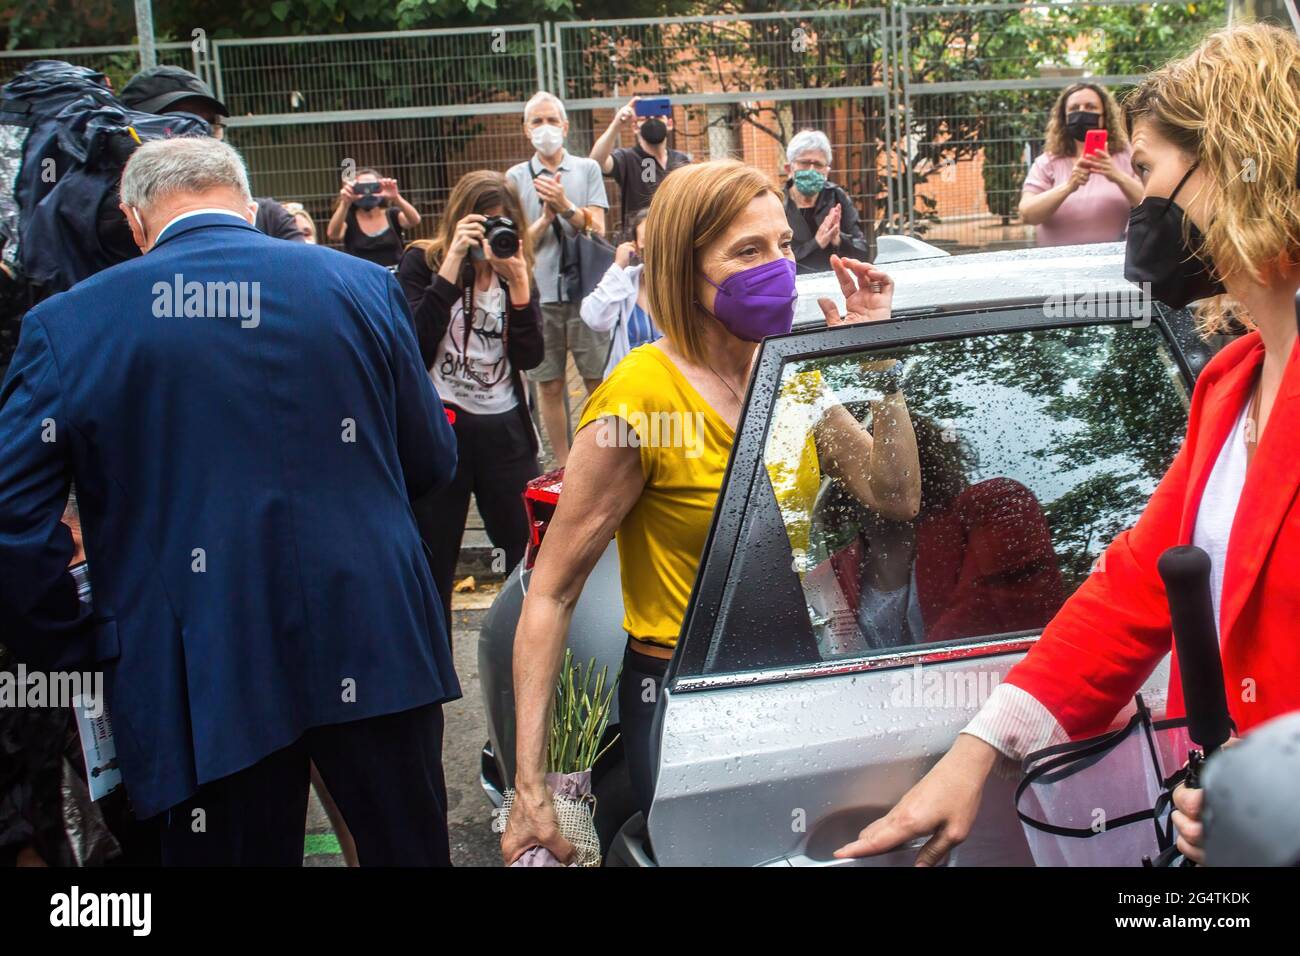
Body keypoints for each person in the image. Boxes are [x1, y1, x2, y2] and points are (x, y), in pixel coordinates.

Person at [836, 23, 1300, 868]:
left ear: (1239, 166)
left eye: (1151, 174)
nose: (1142, 206)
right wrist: (975, 752)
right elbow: (1134, 589)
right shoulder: (1231, 384)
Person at [0, 136, 461, 866]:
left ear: (134, 218)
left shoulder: (72, 323)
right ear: (245, 202)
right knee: (406, 848)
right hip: (373, 627)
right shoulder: (361, 286)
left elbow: (14, 528)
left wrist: (76, 642)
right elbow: (431, 458)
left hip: (195, 659)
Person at [501, 160, 920, 864]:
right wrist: (531, 786)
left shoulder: (784, 371)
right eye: (748, 252)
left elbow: (896, 494)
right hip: (688, 701)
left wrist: (879, 365)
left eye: (784, 245)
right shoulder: (640, 398)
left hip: (807, 677)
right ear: (682, 269)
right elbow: (552, 591)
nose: (779, 267)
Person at [397, 171, 544, 634]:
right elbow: (413, 344)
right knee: (433, 560)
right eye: (484, 226)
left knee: (523, 562)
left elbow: (531, 357)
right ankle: (434, 678)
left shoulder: (514, 268)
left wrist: (519, 290)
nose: (493, 237)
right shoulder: (422, 262)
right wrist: (453, 261)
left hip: (504, 435)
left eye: (503, 225)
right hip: (443, 430)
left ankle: (521, 660)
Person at [506, 91, 610, 467]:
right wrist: (544, 220)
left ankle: (599, 457)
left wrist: (566, 206)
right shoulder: (515, 177)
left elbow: (598, 228)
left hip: (587, 292)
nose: (545, 129)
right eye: (537, 122)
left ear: (565, 127)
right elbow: (516, 244)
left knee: (597, 379)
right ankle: (564, 466)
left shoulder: (586, 170)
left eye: (552, 121)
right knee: (548, 382)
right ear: (526, 130)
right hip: (540, 292)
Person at [119, 65, 306, 243]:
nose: (197, 138)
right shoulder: (105, 232)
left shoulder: (269, 218)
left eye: (208, 125)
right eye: (176, 125)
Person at [1018, 82, 1144, 247]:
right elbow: (1028, 214)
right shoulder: (1047, 162)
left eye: (1090, 107)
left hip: (1114, 261)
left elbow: (1150, 203)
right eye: (1074, 108)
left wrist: (1117, 176)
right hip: (1058, 264)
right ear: (1064, 117)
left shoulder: (1128, 156)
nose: (1082, 111)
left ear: (1104, 115)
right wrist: (1069, 186)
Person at [579, 209, 659, 378]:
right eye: (646, 244)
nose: (654, 252)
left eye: (660, 241)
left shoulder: (685, 285)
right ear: (636, 247)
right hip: (632, 386)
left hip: (674, 387)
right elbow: (595, 319)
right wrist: (618, 267)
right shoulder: (624, 281)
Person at [589, 95, 691, 227]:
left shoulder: (681, 160)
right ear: (635, 127)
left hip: (674, 237)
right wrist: (617, 124)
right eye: (646, 118)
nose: (653, 122)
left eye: (659, 117)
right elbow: (596, 162)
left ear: (670, 124)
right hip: (638, 241)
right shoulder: (627, 159)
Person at [782, 129, 871, 274]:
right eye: (804, 163)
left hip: (836, 282)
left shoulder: (836, 197)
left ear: (827, 171)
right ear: (789, 168)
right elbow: (776, 261)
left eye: (818, 164)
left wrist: (839, 239)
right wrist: (816, 243)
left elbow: (863, 251)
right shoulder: (778, 203)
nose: (811, 170)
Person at [325, 167, 421, 268]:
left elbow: (414, 220)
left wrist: (396, 197)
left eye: (373, 187)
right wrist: (345, 203)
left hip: (393, 275)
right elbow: (333, 234)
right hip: (362, 276)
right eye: (362, 188)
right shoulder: (349, 218)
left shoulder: (392, 214)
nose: (368, 192)